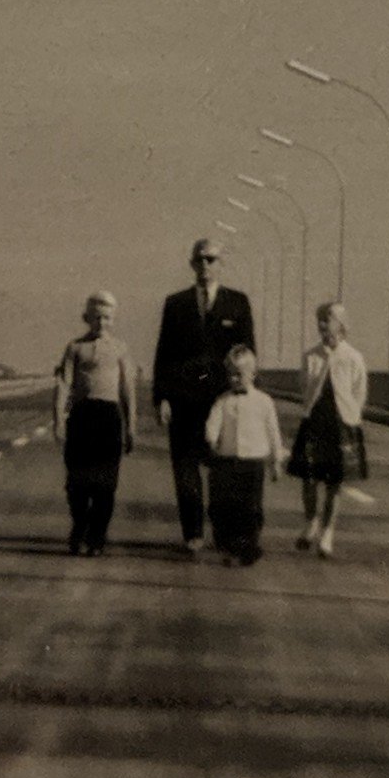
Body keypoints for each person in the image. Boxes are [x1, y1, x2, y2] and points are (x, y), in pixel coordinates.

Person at [151, 235, 256, 555]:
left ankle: (223, 529)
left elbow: (248, 353)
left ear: (221, 264)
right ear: (191, 264)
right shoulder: (176, 303)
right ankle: (193, 532)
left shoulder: (237, 302)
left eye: (211, 259)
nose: (205, 265)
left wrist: (250, 396)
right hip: (183, 400)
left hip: (223, 401)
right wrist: (161, 398)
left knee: (223, 471)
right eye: (200, 259)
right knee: (185, 469)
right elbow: (163, 354)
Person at [52, 290, 137, 556]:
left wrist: (131, 426)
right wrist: (58, 420)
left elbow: (127, 389)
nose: (102, 322)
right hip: (81, 416)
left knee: (105, 483)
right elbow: (64, 384)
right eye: (97, 317)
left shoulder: (121, 349)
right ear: (87, 317)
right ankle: (79, 526)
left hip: (109, 417)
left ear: (113, 320)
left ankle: (97, 537)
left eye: (107, 318)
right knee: (76, 481)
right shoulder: (75, 347)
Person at [287, 300, 369, 557]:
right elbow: (304, 387)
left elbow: (359, 391)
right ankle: (311, 521)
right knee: (309, 478)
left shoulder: (353, 357)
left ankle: (327, 532)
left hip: (341, 422)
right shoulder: (310, 356)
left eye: (328, 319)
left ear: (342, 325)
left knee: (335, 482)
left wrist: (350, 417)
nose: (322, 325)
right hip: (315, 422)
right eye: (320, 320)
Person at [203, 346, 281, 564]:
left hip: (254, 462)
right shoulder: (223, 400)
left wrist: (276, 461)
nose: (234, 379)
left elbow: (273, 432)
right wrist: (211, 437)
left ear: (253, 375)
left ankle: (250, 546)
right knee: (226, 506)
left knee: (251, 507)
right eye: (231, 374)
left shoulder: (264, 402)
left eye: (240, 374)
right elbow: (214, 422)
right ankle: (229, 545)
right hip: (227, 460)